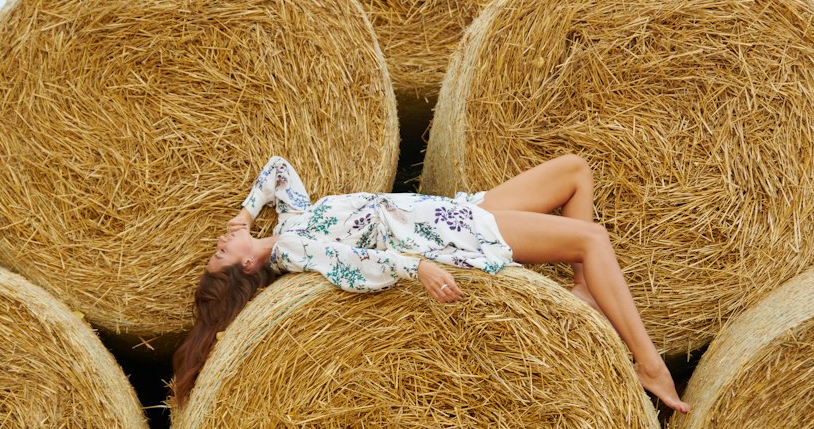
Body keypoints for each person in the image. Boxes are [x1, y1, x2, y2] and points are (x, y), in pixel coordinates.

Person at [171, 154, 689, 413]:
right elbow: (355, 263)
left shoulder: (290, 223)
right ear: (244, 270)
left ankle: (583, 291)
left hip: (448, 210)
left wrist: (245, 214)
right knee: (592, 239)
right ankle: (650, 365)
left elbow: (278, 169)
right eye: (222, 253)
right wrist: (416, 267)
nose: (221, 241)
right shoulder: (291, 250)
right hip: (441, 234)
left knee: (575, 170)